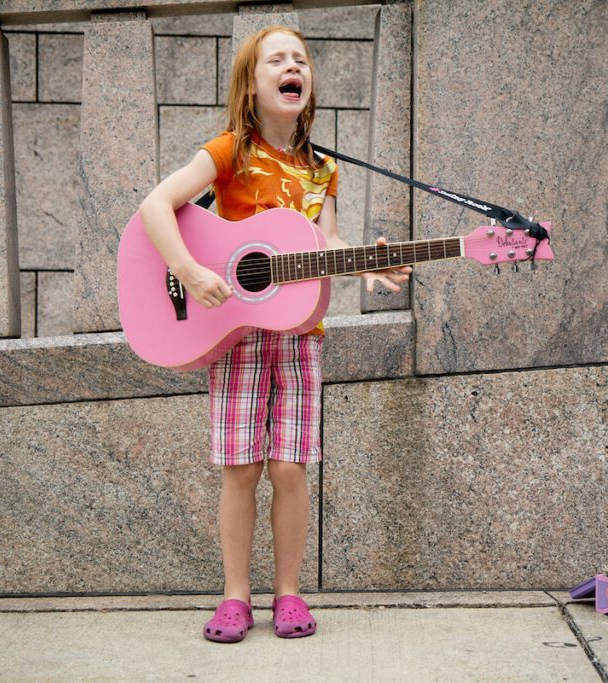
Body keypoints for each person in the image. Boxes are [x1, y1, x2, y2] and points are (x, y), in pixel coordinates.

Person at [138, 25, 410, 643]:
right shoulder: (231, 150)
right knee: (241, 469)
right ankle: (235, 596)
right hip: (233, 332)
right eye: (277, 60)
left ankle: (288, 593)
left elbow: (326, 242)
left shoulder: (323, 169)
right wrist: (188, 267)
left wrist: (361, 259)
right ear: (252, 85)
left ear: (307, 83)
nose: (293, 66)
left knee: (290, 469)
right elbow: (157, 204)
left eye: (301, 59)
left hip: (299, 336)